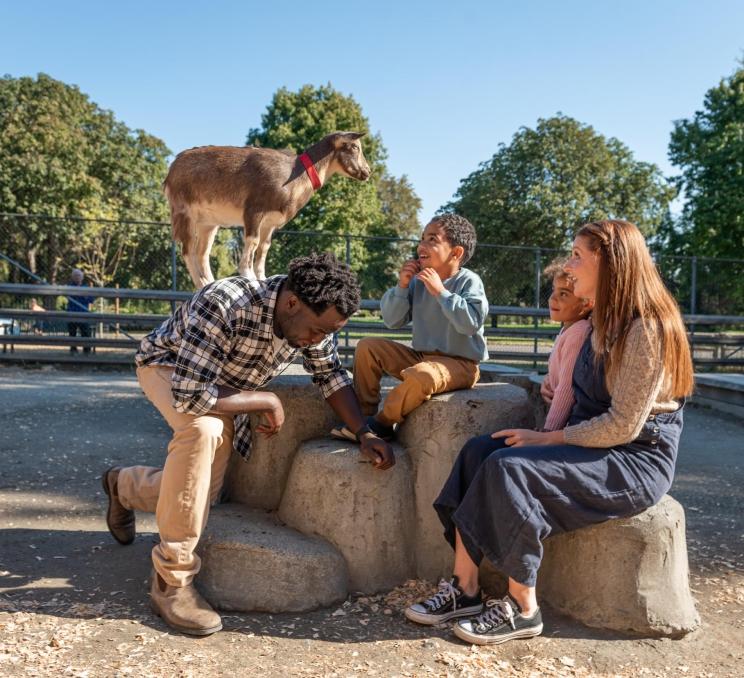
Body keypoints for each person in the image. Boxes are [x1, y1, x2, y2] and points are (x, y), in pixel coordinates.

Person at [404, 220, 693, 646]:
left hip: (634, 458)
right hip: (592, 441)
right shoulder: (599, 318)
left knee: (511, 469)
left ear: (610, 263)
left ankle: (523, 608)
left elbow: (622, 425)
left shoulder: (646, 328)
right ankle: (464, 589)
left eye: (578, 256)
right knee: (480, 450)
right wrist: (547, 416)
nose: (570, 266)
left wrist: (547, 440)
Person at [101, 253, 395, 636]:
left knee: (201, 492)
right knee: (203, 431)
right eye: (320, 331)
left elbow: (330, 375)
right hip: (170, 370)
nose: (320, 340)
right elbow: (190, 394)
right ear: (292, 303)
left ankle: (124, 486)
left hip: (220, 387)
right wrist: (263, 400)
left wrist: (364, 433)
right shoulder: (224, 301)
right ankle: (171, 581)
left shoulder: (308, 319)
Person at [331, 214, 488, 442]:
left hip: (461, 364)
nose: (421, 245)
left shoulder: (469, 281)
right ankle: (363, 416)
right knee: (367, 347)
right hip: (422, 357)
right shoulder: (417, 281)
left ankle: (383, 423)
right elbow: (392, 321)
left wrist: (440, 292)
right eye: (422, 238)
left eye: (432, 239)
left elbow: (470, 323)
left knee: (421, 374)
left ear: (456, 253)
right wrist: (402, 286)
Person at [539, 258, 593, 432]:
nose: (552, 298)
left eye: (564, 294)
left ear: (586, 303)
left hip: (569, 424)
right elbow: (561, 370)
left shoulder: (578, 332)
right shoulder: (568, 329)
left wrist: (548, 432)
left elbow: (567, 388)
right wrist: (549, 380)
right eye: (554, 290)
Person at [66, 268, 95, 353]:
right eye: (75, 276)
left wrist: (85, 297)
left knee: (85, 333)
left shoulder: (86, 287)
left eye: (79, 276)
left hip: (83, 313)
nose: (77, 277)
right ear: (72, 277)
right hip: (72, 313)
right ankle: (73, 350)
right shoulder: (70, 287)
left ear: (82, 277)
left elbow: (91, 300)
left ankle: (86, 350)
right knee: (72, 333)